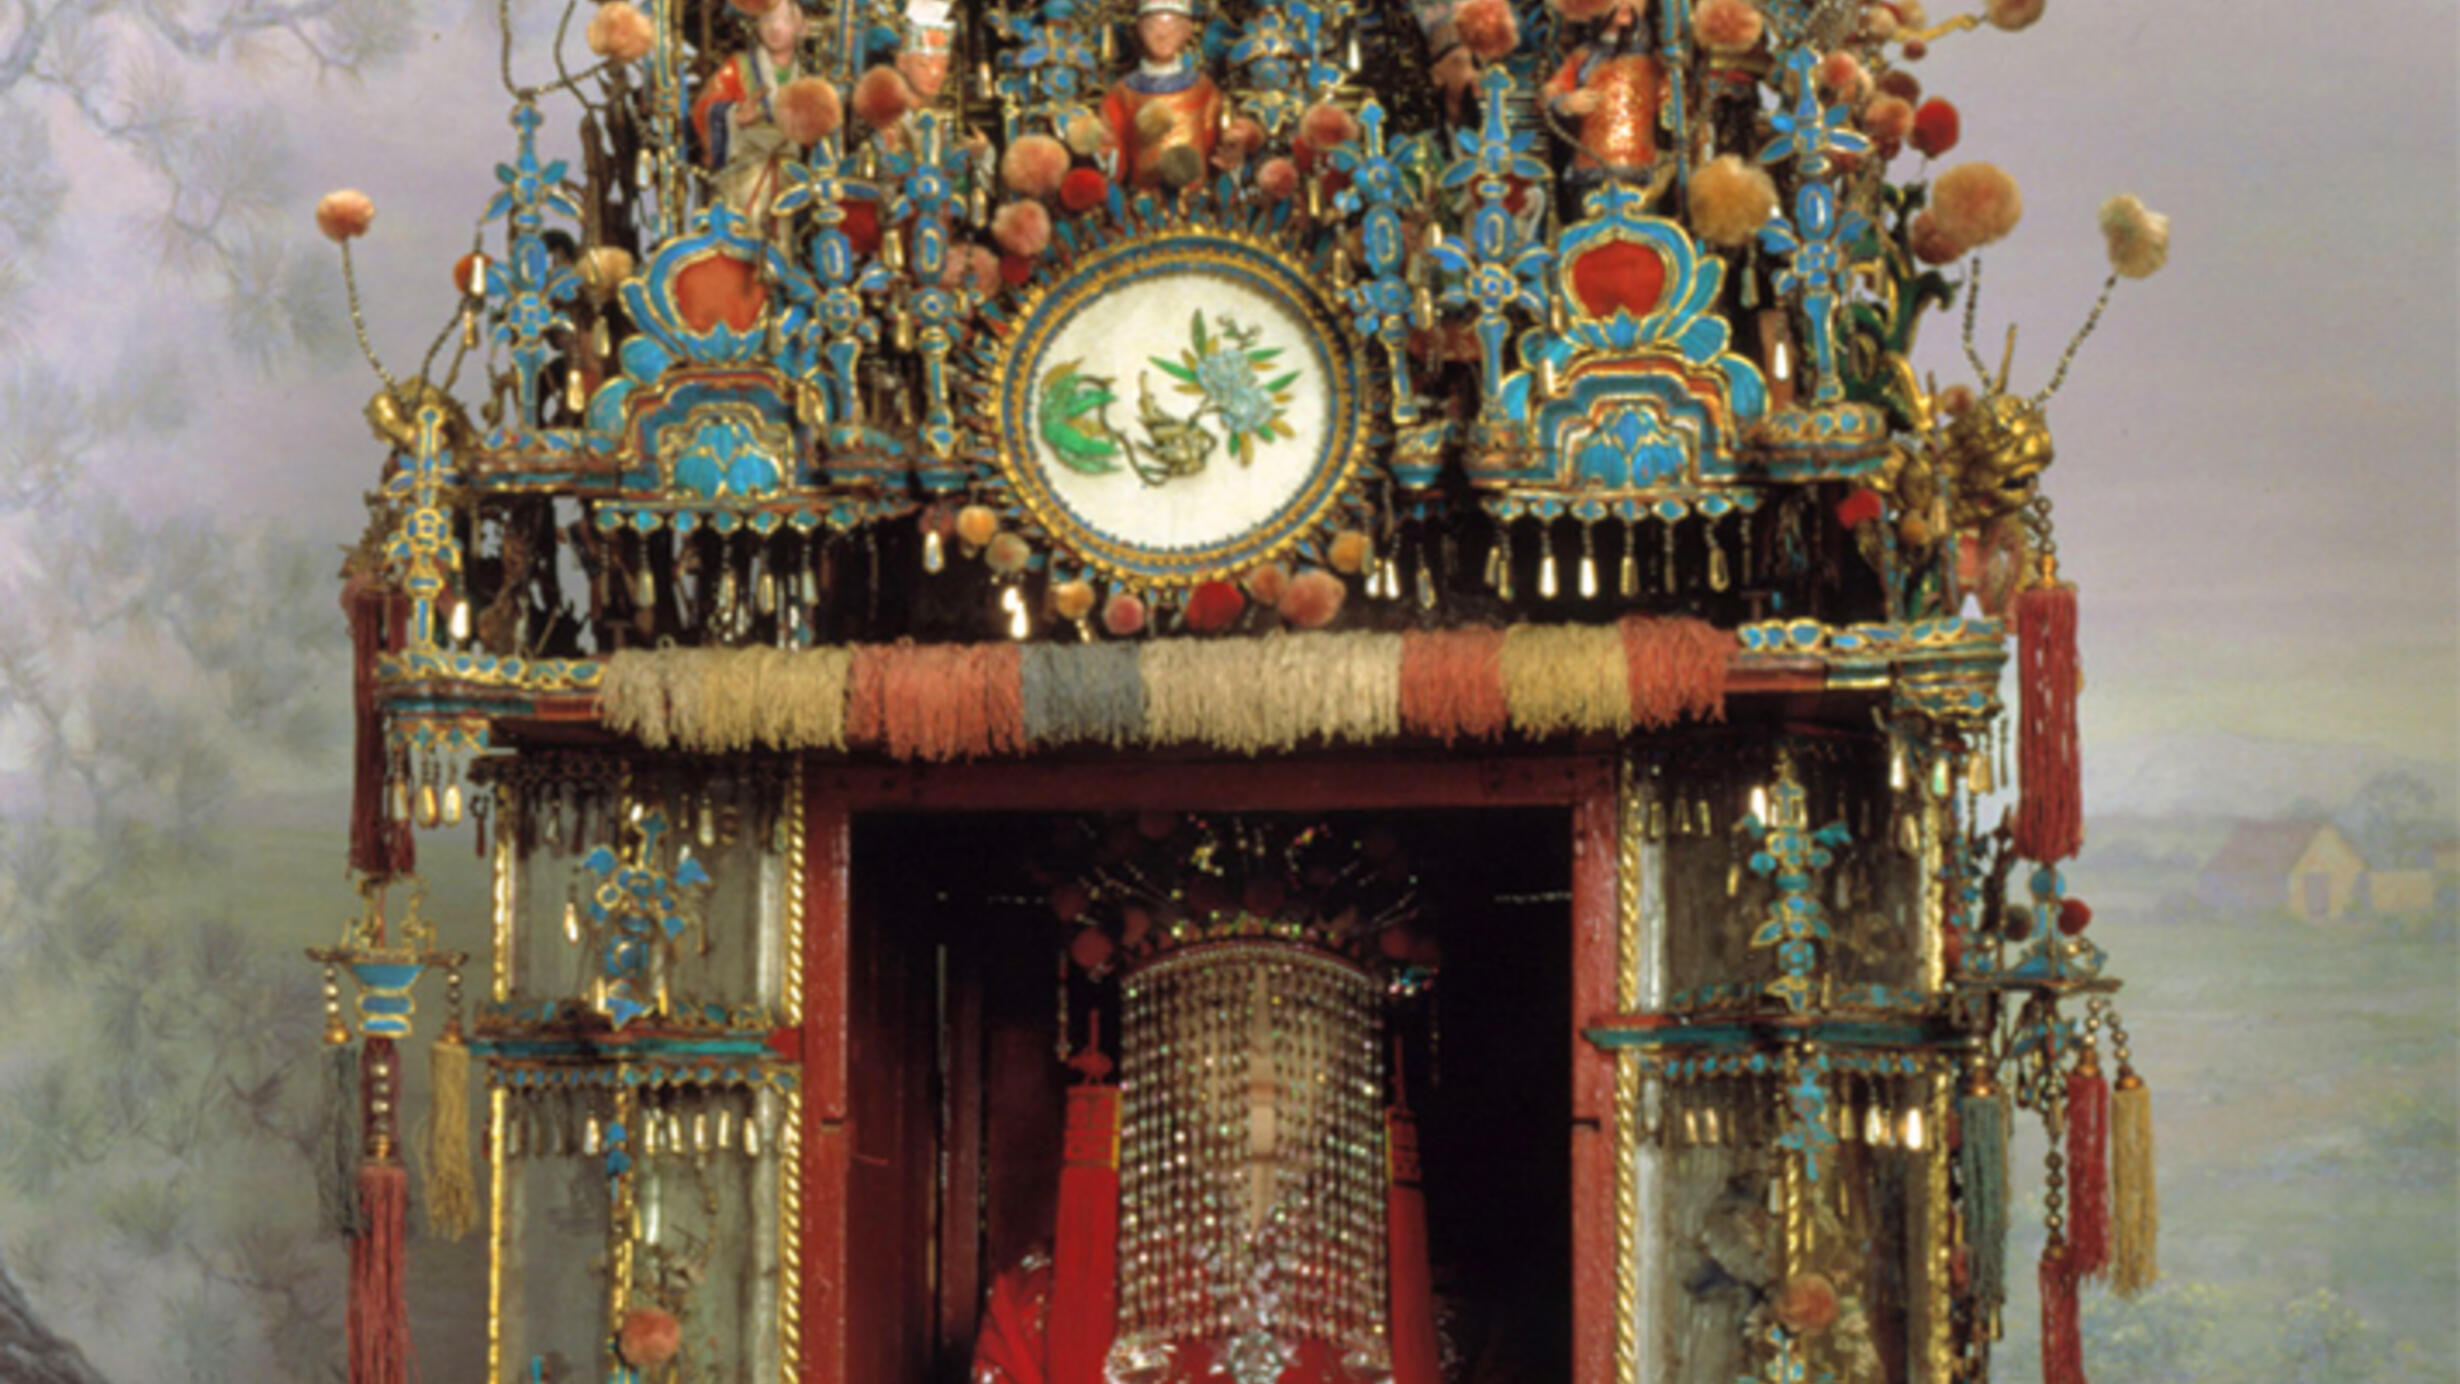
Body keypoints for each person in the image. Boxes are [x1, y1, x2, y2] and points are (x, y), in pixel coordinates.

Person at [690, 0, 811, 234]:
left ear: (800, 26)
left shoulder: (808, 75)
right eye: (767, 20)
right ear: (756, 25)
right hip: (746, 168)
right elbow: (703, 108)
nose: (775, 28)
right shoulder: (738, 66)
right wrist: (733, 116)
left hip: (794, 171)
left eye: (784, 21)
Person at [1100, 0, 1224, 191]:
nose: (1162, 35)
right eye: (1152, 27)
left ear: (1187, 30)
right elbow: (1112, 147)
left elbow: (1214, 140)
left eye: (1173, 26)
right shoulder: (1123, 92)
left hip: (1197, 199)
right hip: (1144, 199)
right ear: (1139, 30)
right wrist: (1106, 152)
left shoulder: (1203, 88)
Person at [1543, 0, 1667, 181]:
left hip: (1643, 167)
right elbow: (1548, 95)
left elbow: (1671, 104)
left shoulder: (1656, 61)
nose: (1625, 3)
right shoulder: (1583, 57)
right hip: (1590, 166)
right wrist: (1566, 103)